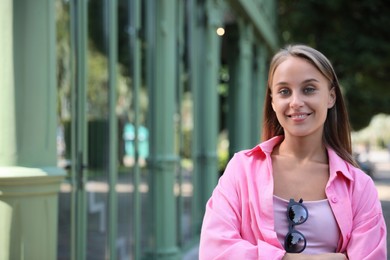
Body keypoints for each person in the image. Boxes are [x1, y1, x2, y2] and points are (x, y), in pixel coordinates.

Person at [199, 44, 387, 259]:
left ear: (331, 97)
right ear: (273, 100)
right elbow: (215, 251)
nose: (296, 102)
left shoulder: (359, 187)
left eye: (308, 89)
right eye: (284, 91)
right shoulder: (241, 170)